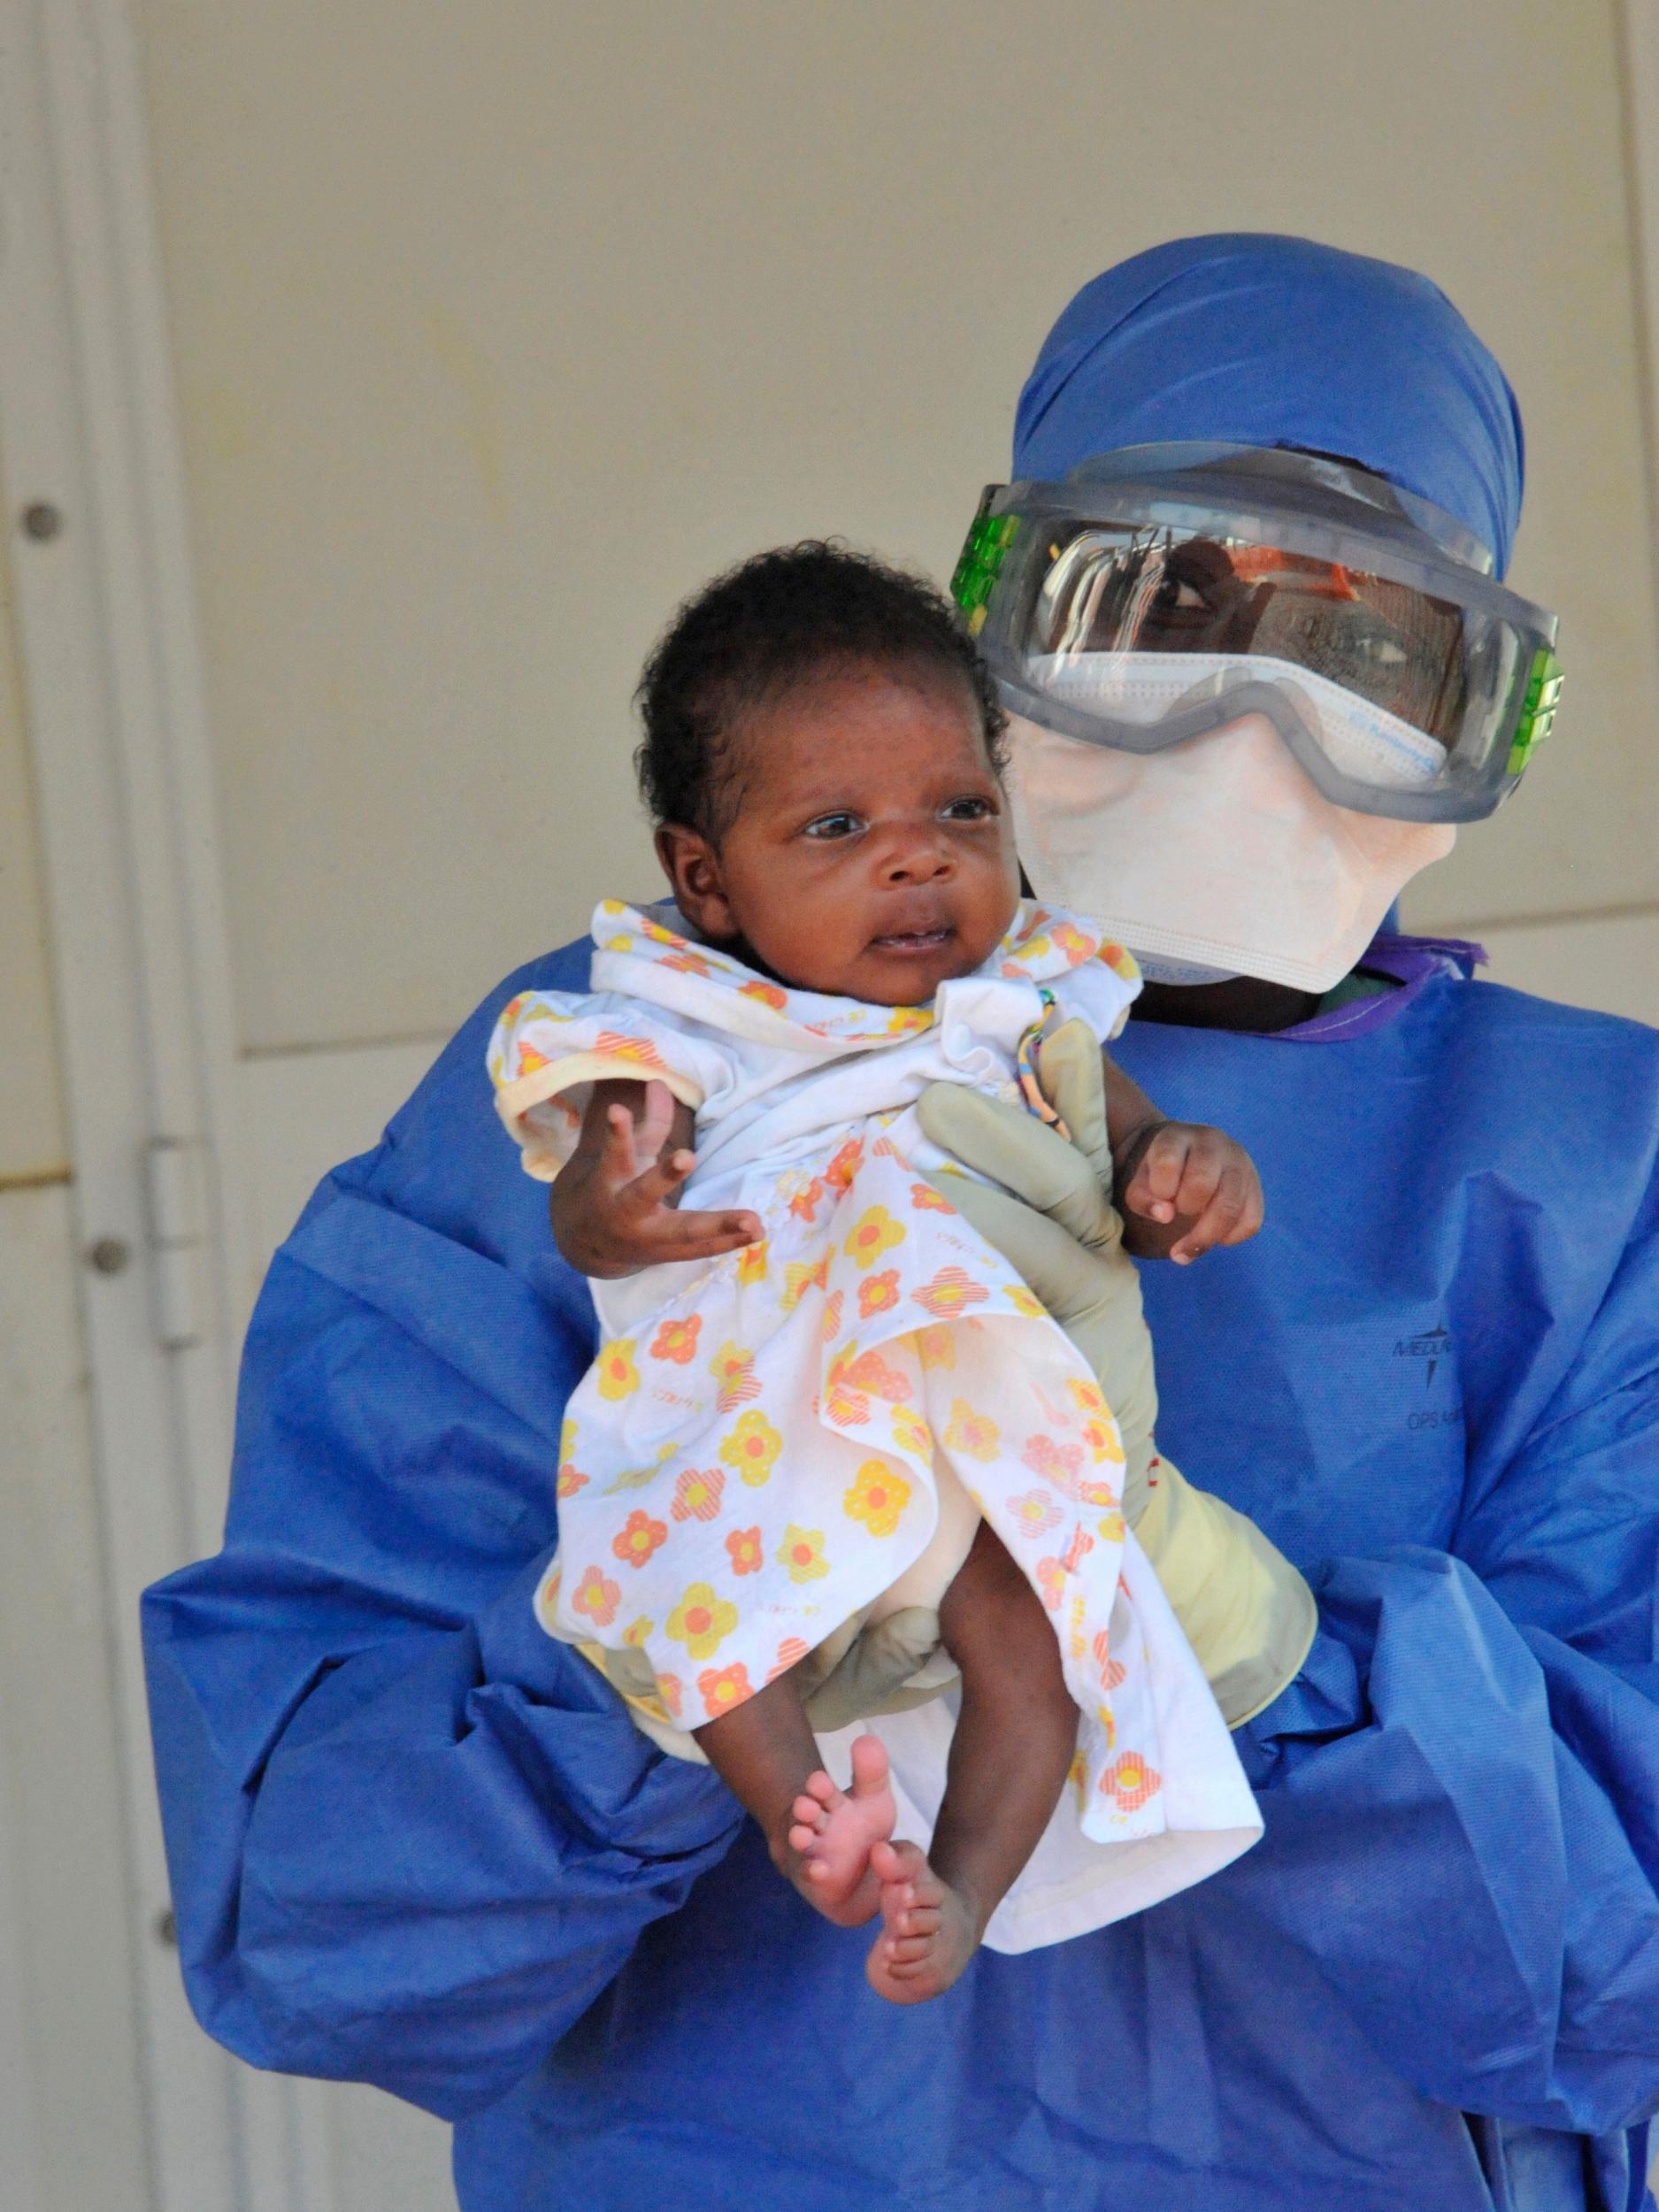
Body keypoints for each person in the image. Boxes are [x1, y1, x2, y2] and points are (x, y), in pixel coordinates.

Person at [142, 234, 1659, 2212]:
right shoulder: (642, 1084)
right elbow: (314, 1921)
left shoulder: (1582, 1163)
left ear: (1477, 714)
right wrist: (669, 1654)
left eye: (1369, 655)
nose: (1247, 723)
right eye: (1161, 605)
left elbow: (1617, 1966)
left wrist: (1213, 1612)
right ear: (999, 615)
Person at [489, 542, 1263, 2001]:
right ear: (703, 880)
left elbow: (1119, 1130)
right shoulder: (675, 1019)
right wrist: (621, 1213)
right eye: (838, 824)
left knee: (1027, 1650)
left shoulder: (1022, 997)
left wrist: (1181, 1172)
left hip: (969, 1427)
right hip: (757, 1431)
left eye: (963, 808)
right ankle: (810, 1837)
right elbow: (590, 1209)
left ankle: (959, 1894)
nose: (920, 857)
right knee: (724, 1634)